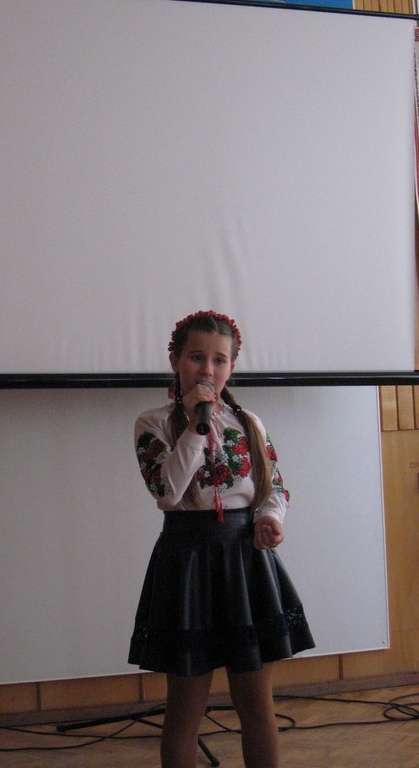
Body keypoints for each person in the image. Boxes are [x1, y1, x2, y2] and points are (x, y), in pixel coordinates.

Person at [128, 310, 315, 768]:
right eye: (196, 357)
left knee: (256, 704)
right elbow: (167, 491)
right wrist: (197, 426)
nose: (207, 370)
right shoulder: (153, 423)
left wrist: (269, 518)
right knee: (185, 709)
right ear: (175, 360)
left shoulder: (248, 421)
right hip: (187, 562)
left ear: (232, 366)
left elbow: (274, 487)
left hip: (245, 560)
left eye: (219, 360)